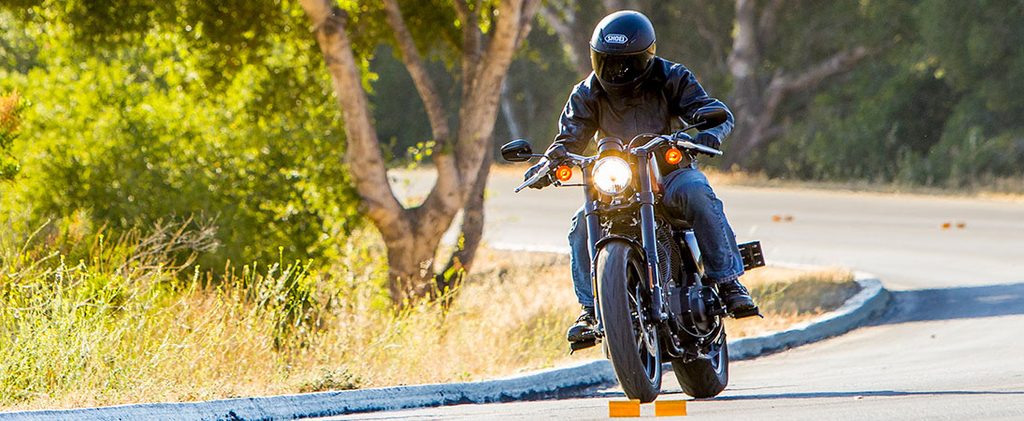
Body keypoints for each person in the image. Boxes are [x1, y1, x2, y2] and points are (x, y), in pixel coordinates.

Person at [524, 10, 756, 343]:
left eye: (626, 62)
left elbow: (715, 112)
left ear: (646, 57)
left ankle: (729, 282)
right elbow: (568, 138)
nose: (616, 70)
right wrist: (549, 162)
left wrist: (708, 133)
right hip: (616, 182)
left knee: (697, 193)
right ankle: (590, 310)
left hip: (669, 173)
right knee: (581, 226)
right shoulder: (586, 92)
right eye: (607, 61)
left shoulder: (671, 76)